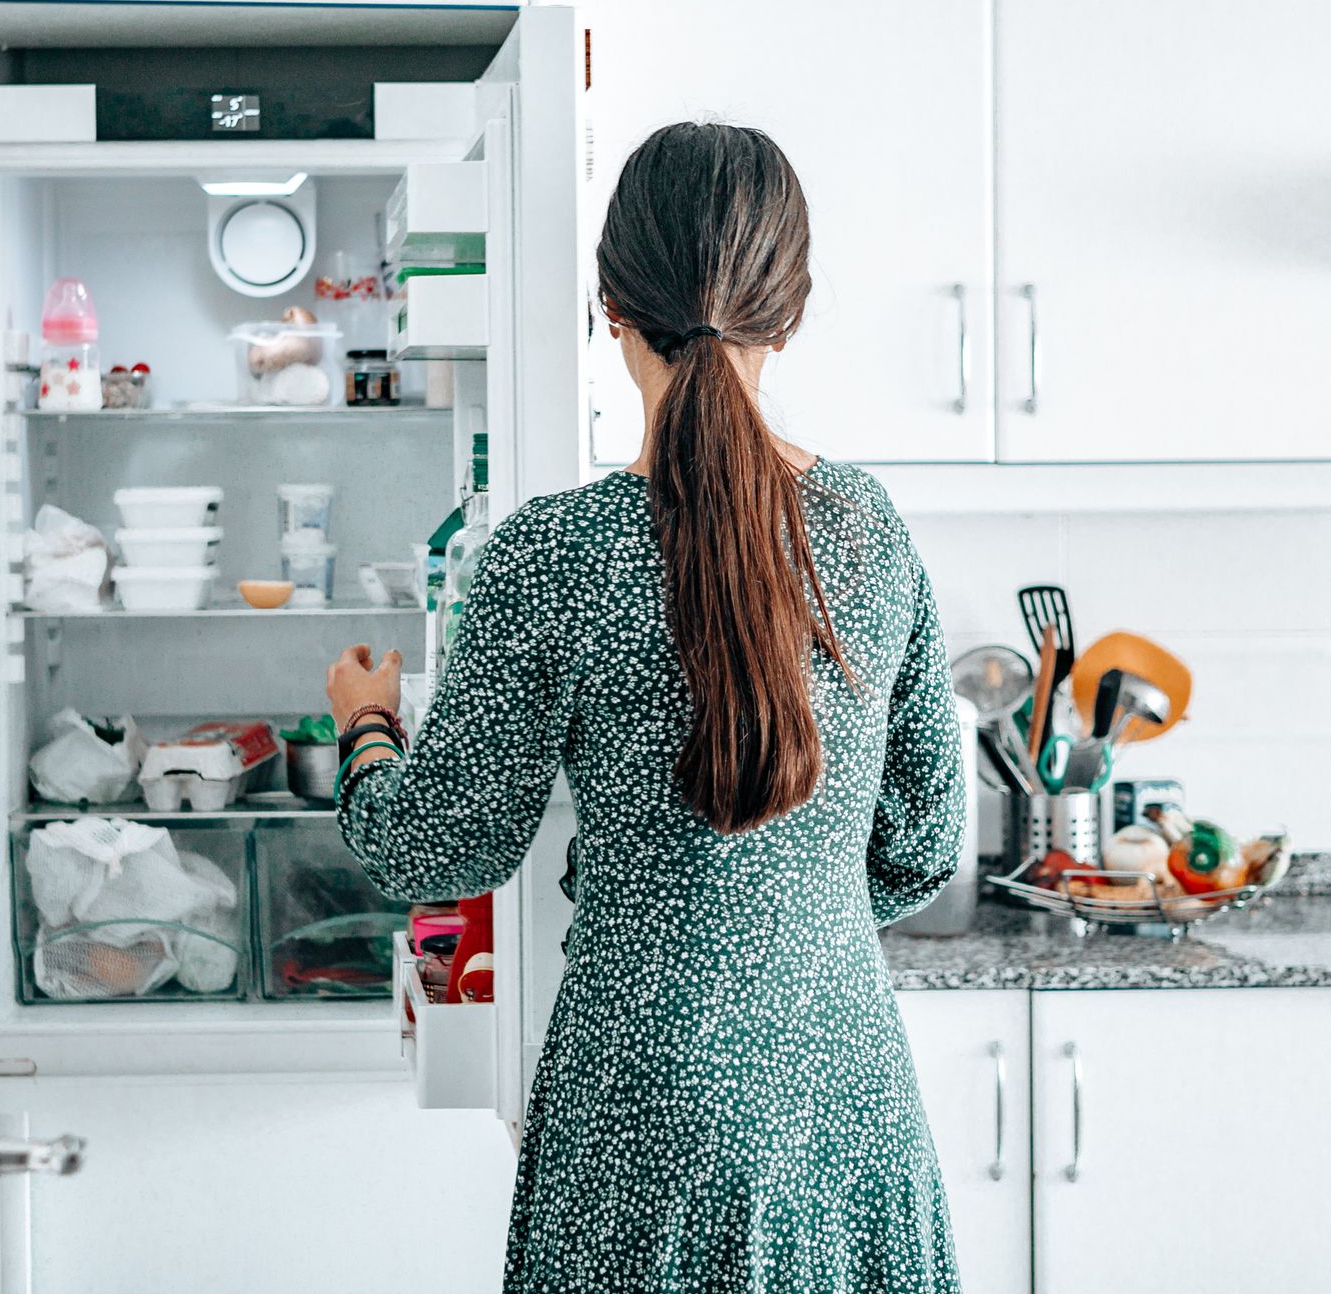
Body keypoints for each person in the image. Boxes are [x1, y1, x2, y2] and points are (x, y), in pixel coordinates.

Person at [325, 121, 965, 1293]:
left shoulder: (555, 554)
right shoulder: (869, 529)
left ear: (609, 307)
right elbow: (922, 845)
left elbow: (436, 843)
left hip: (640, 1097)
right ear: (795, 310)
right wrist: (773, 914)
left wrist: (365, 725)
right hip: (841, 1085)